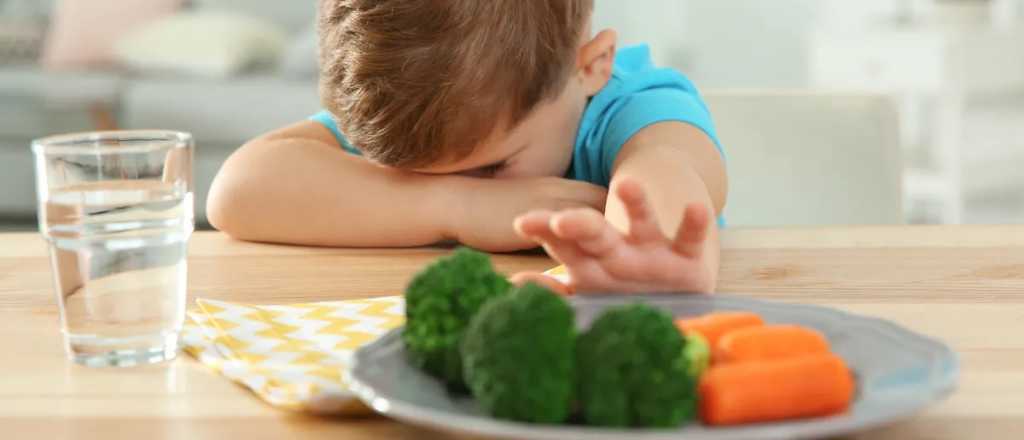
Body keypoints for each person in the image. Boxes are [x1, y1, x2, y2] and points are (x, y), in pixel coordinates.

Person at [207, 0, 728, 294]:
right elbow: (236, 191)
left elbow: (667, 170)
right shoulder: (420, 115)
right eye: (408, 174)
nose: (446, 180)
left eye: (492, 168)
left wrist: (647, 258)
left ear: (590, 66)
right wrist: (459, 205)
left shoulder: (632, 106)